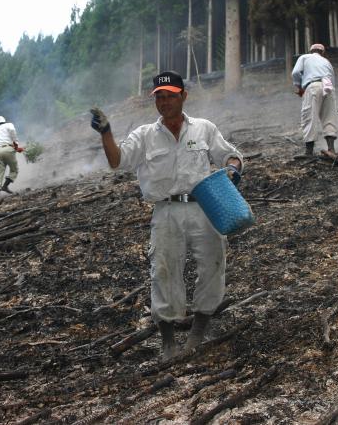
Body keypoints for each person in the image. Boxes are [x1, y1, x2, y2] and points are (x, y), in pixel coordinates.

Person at [90, 71, 244, 359]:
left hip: (204, 207)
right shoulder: (145, 135)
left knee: (212, 265)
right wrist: (106, 133)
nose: (164, 102)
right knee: (163, 271)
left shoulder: (204, 129)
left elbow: (230, 155)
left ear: (183, 96)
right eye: (159, 97)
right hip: (166, 211)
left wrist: (233, 169)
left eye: (170, 96)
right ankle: (168, 342)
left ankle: (198, 332)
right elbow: (117, 161)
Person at [291, 43, 338, 156]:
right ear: (322, 52)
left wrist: (300, 87)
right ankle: (331, 149)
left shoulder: (304, 57)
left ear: (311, 51)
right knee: (329, 116)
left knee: (309, 116)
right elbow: (332, 79)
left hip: (313, 85)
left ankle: (309, 152)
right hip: (328, 86)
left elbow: (296, 72)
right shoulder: (327, 62)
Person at [0, 115, 24, 199]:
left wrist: (15, 148)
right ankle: (5, 186)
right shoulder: (8, 125)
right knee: (14, 169)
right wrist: (16, 146)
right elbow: (13, 132)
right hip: (8, 149)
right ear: (4, 120)